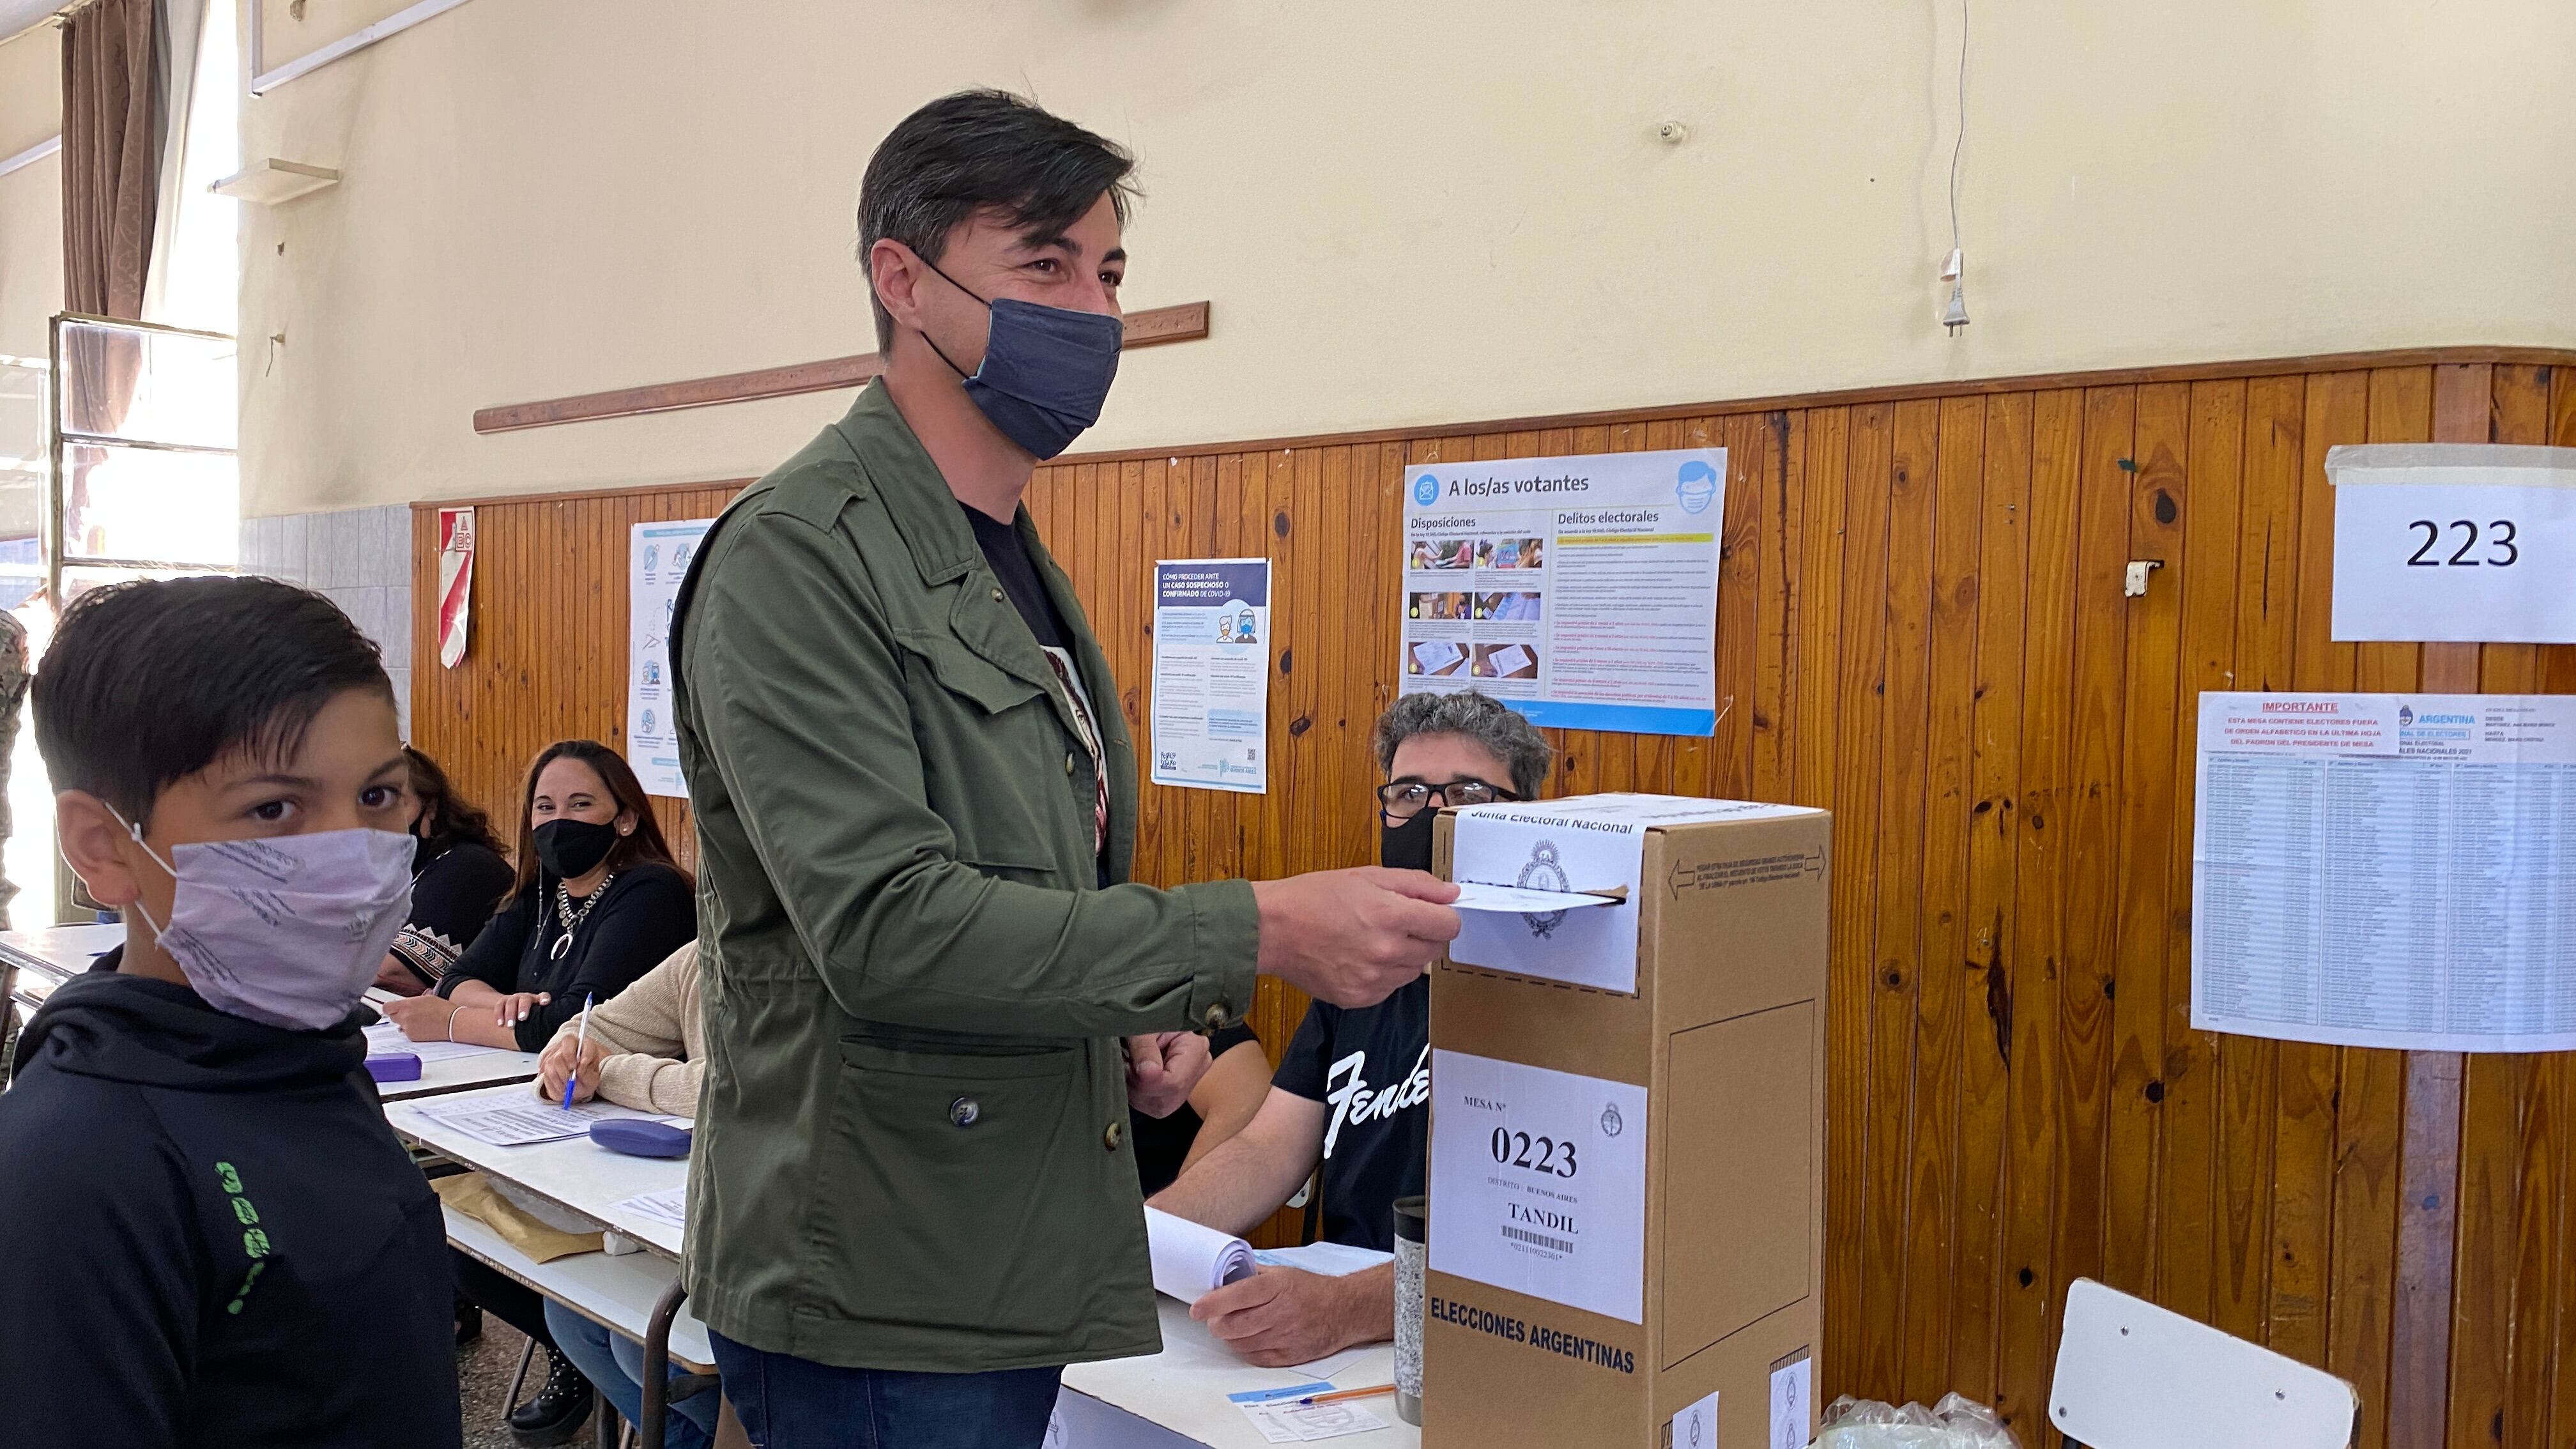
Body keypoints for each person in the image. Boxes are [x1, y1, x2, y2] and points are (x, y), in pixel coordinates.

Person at [667, 89, 1459, 1448]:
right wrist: (1256, 927)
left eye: (1107, 275)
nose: (1091, 313)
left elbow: (1025, 878)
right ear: (900, 279)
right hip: (883, 1274)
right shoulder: (801, 555)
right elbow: (887, 929)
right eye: (1042, 265)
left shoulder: (1010, 555)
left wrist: (1116, 1021)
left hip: (1003, 1243)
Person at [0, 576, 457, 1446]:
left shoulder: (306, 1051)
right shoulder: (75, 1170)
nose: (349, 860)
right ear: (105, 847)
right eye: (274, 809)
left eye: (376, 797)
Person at [1153, 691, 1551, 1368]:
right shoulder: (1363, 972)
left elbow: (1545, 1247)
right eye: (1408, 792)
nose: (1432, 813)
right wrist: (1143, 1237)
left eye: (1467, 794)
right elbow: (1267, 1150)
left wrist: (1344, 1311)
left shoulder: (1564, 997)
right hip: (1343, 1343)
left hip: (1486, 1345)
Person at [383, 737, 695, 1445]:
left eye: (581, 804)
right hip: (548, 1102)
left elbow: (573, 1017)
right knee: (451, 1224)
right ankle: (568, 1354)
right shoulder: (541, 894)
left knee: (512, 1241)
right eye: (545, 806)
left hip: (624, 1129)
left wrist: (471, 1019)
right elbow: (458, 977)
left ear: (623, 817)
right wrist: (509, 1012)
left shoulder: (651, 893)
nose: (559, 822)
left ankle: (631, 1395)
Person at [532, 942, 719, 1448]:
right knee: (572, 1316)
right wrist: (565, 1057)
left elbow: (733, 1086)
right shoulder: (701, 955)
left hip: (791, 1229)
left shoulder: (814, 956)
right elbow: (590, 1029)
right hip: (684, 1212)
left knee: (639, 1346)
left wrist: (610, 1072)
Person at [374, 745, 516, 996]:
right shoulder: (393, 881)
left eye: (393, 803)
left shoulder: (468, 866)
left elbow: (395, 972)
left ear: (430, 807)